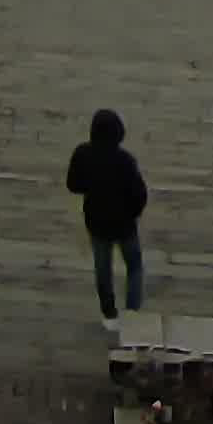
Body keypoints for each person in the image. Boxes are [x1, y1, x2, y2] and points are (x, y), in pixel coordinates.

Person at [66, 108, 150, 319]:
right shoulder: (125, 160)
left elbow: (73, 185)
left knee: (102, 267)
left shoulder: (83, 153)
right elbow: (139, 193)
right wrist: (134, 213)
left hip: (96, 220)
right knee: (134, 266)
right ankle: (132, 311)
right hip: (124, 224)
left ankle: (108, 311)